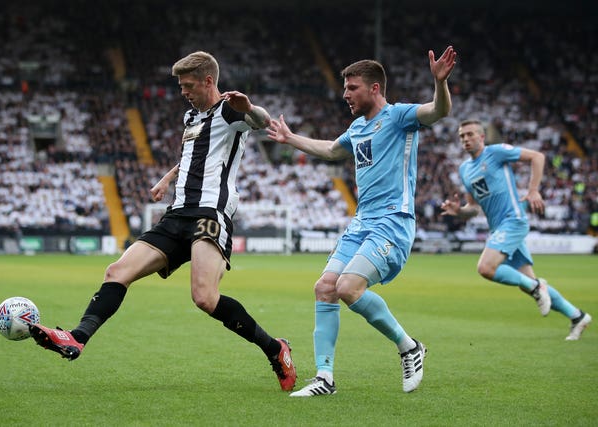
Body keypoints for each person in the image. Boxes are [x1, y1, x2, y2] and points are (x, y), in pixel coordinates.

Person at [29, 51, 297, 392]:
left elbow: (261, 121)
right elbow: (191, 155)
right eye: (181, 86)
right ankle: (77, 337)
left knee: (204, 297)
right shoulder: (191, 118)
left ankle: (275, 349)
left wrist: (250, 107)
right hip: (177, 214)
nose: (183, 92)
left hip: (209, 213)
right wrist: (167, 179)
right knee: (116, 272)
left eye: (188, 85)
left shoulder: (231, 110)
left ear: (208, 81)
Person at [266, 46, 457, 396]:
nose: (345, 95)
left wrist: (439, 83)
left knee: (348, 288)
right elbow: (329, 150)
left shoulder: (400, 116)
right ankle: (325, 378)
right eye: (344, 88)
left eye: (352, 88)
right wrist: (290, 138)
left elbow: (439, 111)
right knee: (325, 287)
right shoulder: (356, 127)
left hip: (392, 222)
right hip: (362, 223)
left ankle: (408, 346)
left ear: (374, 88)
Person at [440, 119, 592, 340]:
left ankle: (537, 286)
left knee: (486, 268)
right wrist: (459, 211)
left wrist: (533, 191)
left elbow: (537, 157)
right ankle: (577, 316)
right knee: (525, 281)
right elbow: (473, 208)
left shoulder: (496, 152)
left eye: (470, 134)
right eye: (462, 136)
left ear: (481, 137)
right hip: (498, 228)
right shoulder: (464, 170)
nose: (465, 139)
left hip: (513, 220)